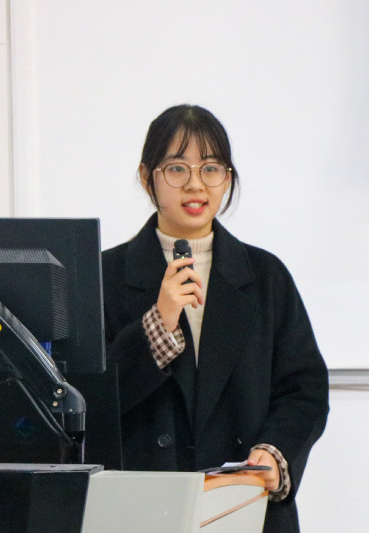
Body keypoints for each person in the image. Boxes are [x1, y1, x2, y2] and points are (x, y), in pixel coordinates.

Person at [102, 104, 329, 532]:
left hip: (245, 506)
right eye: (177, 169)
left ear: (227, 177)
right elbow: (89, 402)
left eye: (211, 168)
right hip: (144, 509)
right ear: (146, 176)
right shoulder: (104, 275)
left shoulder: (265, 275)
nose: (195, 184)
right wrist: (158, 324)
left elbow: (305, 389)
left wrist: (275, 452)